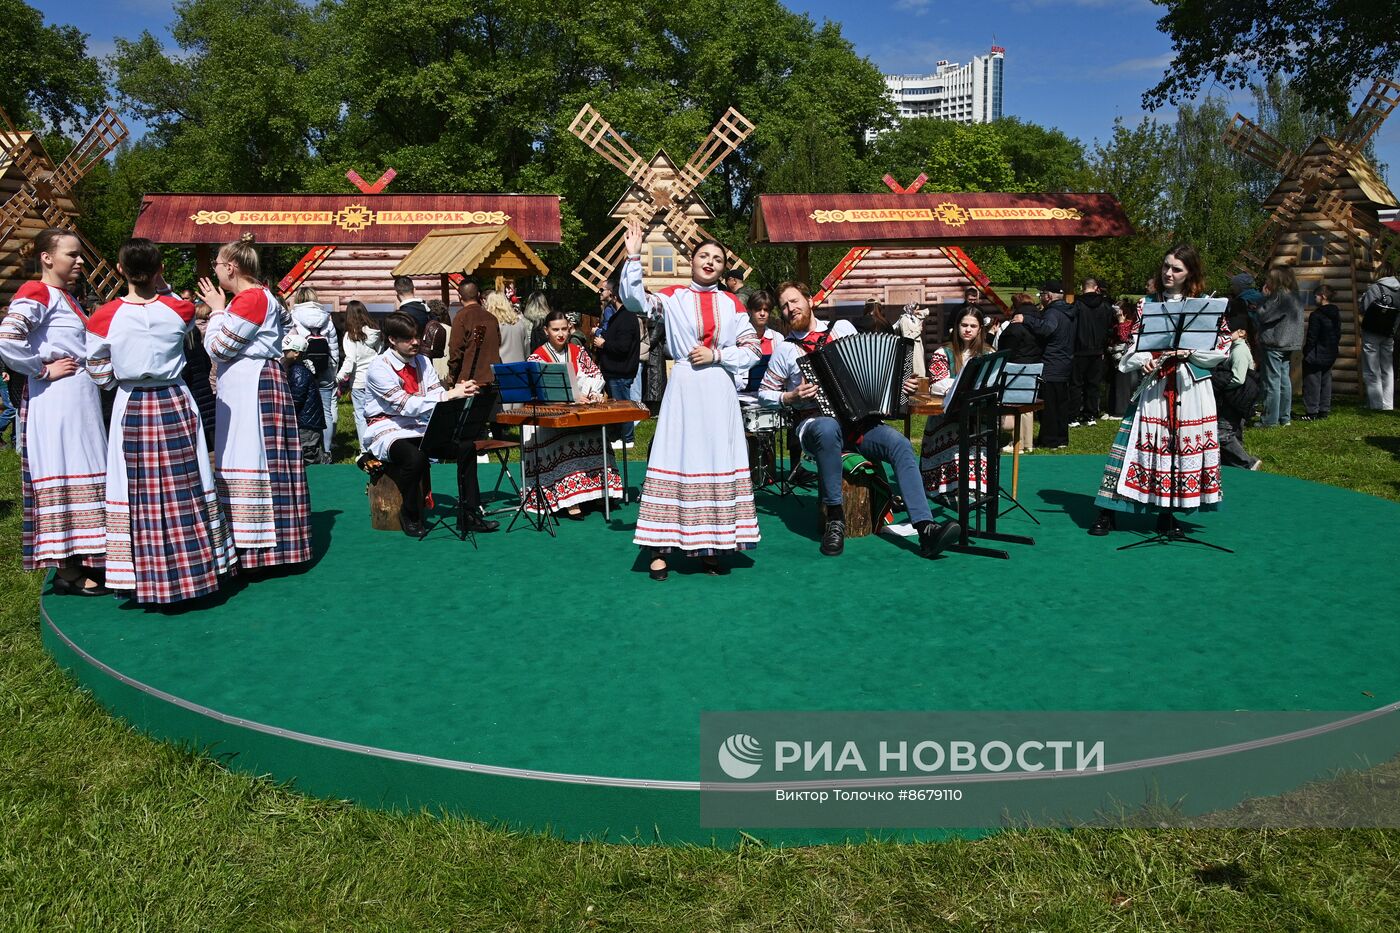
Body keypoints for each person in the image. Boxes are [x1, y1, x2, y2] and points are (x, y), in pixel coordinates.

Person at [759, 281, 960, 559]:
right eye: (784, 306)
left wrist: (899, 386)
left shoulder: (841, 329)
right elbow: (763, 394)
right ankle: (835, 519)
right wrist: (790, 396)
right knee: (828, 427)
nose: (790, 308)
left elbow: (868, 373)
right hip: (813, 424)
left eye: (794, 301)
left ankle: (925, 527)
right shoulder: (786, 349)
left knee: (900, 444)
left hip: (857, 423)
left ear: (809, 301)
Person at [84, 238, 235, 603]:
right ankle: (196, 570)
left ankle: (145, 575)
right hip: (174, 398)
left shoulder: (103, 315)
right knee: (187, 482)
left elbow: (97, 369)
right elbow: (175, 314)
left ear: (120, 270)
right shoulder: (179, 309)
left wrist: (117, 380)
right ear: (160, 270)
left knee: (136, 488)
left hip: (132, 400)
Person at [618, 215, 760, 579]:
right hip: (683, 386)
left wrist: (719, 356)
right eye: (704, 256)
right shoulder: (673, 297)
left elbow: (752, 349)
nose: (710, 261)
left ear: (724, 268)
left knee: (714, 459)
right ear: (692, 261)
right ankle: (659, 550)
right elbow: (635, 302)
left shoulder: (733, 304)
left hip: (718, 389)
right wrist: (633, 258)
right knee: (676, 456)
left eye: (718, 258)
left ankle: (709, 545)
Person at [1088, 244, 1228, 536]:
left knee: (1178, 449)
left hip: (1191, 387)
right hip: (1156, 385)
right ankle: (1109, 511)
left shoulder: (1205, 304)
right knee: (1134, 449)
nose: (1168, 272)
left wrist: (1190, 352)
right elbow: (1135, 344)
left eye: (1176, 268)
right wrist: (1145, 359)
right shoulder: (1147, 304)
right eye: (1166, 266)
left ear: (1190, 273)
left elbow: (1222, 345)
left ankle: (1167, 514)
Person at [0, 229, 109, 594]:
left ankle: (84, 560)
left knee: (83, 469)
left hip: (78, 400)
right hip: (57, 400)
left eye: (80, 255)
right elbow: (7, 338)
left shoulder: (65, 297)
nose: (79, 261)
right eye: (71, 254)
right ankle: (69, 569)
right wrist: (41, 369)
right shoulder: (37, 291)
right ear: (47, 257)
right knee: (67, 470)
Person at [197, 234, 312, 571]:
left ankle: (261, 552)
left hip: (254, 388)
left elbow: (219, 348)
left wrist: (216, 313)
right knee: (251, 457)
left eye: (217, 264)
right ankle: (257, 547)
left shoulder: (251, 299)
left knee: (256, 458)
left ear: (231, 267)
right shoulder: (257, 298)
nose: (215, 269)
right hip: (250, 383)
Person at [362, 311, 498, 537]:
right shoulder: (379, 367)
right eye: (408, 338)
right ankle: (410, 513)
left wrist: (460, 393)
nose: (416, 342)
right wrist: (449, 395)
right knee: (416, 458)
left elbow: (436, 393)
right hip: (387, 429)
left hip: (420, 426)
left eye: (417, 336)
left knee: (466, 447)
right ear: (392, 340)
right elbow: (405, 405)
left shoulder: (423, 361)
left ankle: (470, 513)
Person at [521, 309, 624, 519]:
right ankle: (570, 499)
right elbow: (540, 392)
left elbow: (595, 374)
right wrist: (570, 398)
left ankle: (596, 492)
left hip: (579, 412)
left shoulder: (577, 351)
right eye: (555, 329)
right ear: (546, 330)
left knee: (596, 434)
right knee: (564, 438)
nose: (560, 334)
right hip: (550, 417)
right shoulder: (537, 357)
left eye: (564, 329)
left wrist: (593, 392)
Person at [920, 309, 993, 501]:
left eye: (973, 326)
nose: (968, 330)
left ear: (980, 329)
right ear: (956, 327)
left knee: (979, 433)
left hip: (977, 414)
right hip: (947, 415)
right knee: (954, 432)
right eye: (964, 325)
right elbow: (937, 384)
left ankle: (976, 487)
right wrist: (966, 385)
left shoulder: (988, 352)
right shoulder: (943, 352)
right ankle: (948, 488)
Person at [1017, 281, 1075, 449]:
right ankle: (1062, 438)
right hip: (1065, 362)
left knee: (1049, 404)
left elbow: (1046, 330)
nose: (1040, 298)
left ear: (1048, 296)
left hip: (1051, 364)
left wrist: (1026, 319)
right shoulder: (1069, 312)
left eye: (1041, 295)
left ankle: (1050, 440)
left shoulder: (1052, 313)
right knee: (1061, 404)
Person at [287, 285, 338, 459]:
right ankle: (327, 450)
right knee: (326, 411)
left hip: (303, 369)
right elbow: (333, 348)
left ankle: (309, 448)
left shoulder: (293, 317)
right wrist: (334, 370)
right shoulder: (327, 318)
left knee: (305, 409)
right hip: (325, 369)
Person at [592, 280, 640, 448]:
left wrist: (604, 344)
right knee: (617, 405)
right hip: (615, 370)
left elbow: (623, 346)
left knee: (622, 405)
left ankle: (627, 439)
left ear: (614, 295)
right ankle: (620, 435)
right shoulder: (619, 315)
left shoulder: (626, 317)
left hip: (621, 370)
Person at [1256, 266, 1303, 427]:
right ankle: (1284, 417)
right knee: (1284, 380)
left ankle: (1270, 420)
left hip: (1275, 343)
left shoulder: (1279, 297)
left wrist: (1264, 298)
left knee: (1271, 382)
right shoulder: (1295, 296)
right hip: (1289, 343)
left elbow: (1264, 315)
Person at [995, 293, 1042, 453]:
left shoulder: (1015, 324)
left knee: (1015, 404)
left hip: (1016, 366)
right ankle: (1028, 442)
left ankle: (1018, 443)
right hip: (1035, 365)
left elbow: (1006, 347)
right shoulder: (1038, 321)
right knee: (1027, 405)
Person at [1214, 317, 1262, 471]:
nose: (1226, 335)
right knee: (1234, 430)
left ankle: (1247, 462)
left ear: (1241, 333)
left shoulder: (1240, 350)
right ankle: (1233, 465)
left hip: (1236, 396)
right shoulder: (1235, 347)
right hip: (1236, 397)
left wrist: (1221, 385)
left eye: (1230, 332)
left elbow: (1238, 378)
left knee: (1222, 432)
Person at [335, 300, 383, 451]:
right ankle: (379, 445)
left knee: (361, 416)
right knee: (378, 414)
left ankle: (365, 449)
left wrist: (338, 377)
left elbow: (350, 361)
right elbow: (380, 354)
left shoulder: (350, 336)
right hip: (376, 380)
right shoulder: (376, 333)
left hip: (359, 382)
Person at [1069, 278, 1114, 425]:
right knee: (1093, 385)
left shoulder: (1077, 305)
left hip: (1079, 350)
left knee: (1076, 384)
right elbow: (1109, 328)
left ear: (1083, 288)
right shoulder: (1106, 306)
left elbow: (1072, 327)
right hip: (1097, 350)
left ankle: (1074, 416)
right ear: (1096, 288)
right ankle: (1090, 415)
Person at [446, 281, 501, 388]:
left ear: (459, 297)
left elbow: (455, 350)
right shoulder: (492, 318)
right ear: (479, 295)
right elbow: (498, 343)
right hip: (492, 378)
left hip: (468, 380)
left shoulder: (461, 317)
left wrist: (452, 375)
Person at [282, 333, 326, 464]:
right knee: (311, 450)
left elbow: (296, 398)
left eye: (286, 350)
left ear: (296, 352)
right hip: (310, 419)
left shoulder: (297, 372)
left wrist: (287, 413)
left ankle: (316, 476)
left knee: (308, 452)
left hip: (306, 421)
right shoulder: (302, 368)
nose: (284, 353)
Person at [1358, 270, 1398, 411]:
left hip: (1372, 331)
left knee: (1371, 369)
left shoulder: (1375, 288)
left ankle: (1375, 405)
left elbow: (1365, 309)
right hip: (1389, 332)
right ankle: (1388, 404)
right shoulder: (1399, 289)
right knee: (1387, 368)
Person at [1301, 283, 1342, 421]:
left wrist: (1307, 351)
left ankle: (1311, 411)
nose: (1315, 299)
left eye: (1316, 296)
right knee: (1326, 381)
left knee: (1312, 382)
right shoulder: (1336, 313)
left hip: (1316, 352)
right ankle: (1324, 409)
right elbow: (1338, 333)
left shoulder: (1316, 315)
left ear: (1323, 296)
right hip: (1330, 351)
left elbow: (1312, 336)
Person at [181, 299, 217, 451]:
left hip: (193, 391)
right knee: (212, 431)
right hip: (206, 390)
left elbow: (185, 371)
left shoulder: (182, 346)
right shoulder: (197, 341)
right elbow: (207, 365)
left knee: (201, 434)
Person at [489, 289, 530, 365]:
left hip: (501, 369)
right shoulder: (520, 323)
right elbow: (527, 350)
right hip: (520, 368)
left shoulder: (493, 325)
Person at [895, 302, 927, 377]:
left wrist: (918, 312)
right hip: (912, 346)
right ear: (911, 309)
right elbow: (906, 336)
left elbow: (927, 312)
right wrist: (918, 331)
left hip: (918, 345)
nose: (917, 311)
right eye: (916, 309)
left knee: (920, 367)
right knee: (915, 368)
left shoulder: (915, 318)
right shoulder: (904, 319)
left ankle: (921, 383)